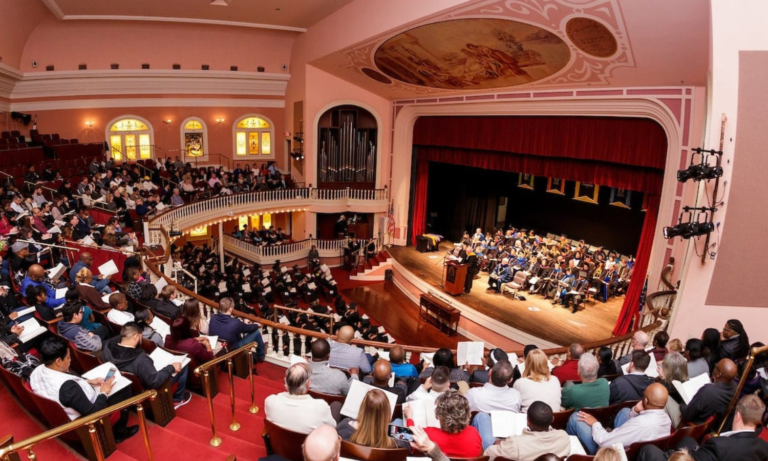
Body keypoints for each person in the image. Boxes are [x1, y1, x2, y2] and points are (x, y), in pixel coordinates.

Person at [29, 337, 139, 443]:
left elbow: (57, 388)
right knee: (125, 388)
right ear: (58, 361)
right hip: (86, 418)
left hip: (67, 407)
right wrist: (103, 393)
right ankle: (119, 431)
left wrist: (88, 382)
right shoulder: (68, 388)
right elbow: (93, 414)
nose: (70, 360)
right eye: (68, 357)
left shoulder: (38, 370)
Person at [636, 394, 768, 461]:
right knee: (686, 440)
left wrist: (673, 455)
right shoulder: (763, 446)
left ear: (737, 415)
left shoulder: (719, 446)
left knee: (648, 449)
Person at [101, 322, 192, 409]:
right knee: (183, 366)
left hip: (127, 389)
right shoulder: (140, 359)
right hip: (147, 390)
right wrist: (171, 368)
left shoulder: (108, 347)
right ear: (136, 337)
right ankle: (177, 399)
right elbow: (155, 382)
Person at [567, 383, 671, 455]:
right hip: (633, 445)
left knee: (575, 417)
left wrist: (595, 423)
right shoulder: (667, 420)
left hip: (608, 452)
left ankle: (579, 455)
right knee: (626, 411)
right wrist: (635, 410)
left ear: (646, 400)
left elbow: (604, 442)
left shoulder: (639, 425)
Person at [405, 390, 482, 458]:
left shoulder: (428, 435)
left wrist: (409, 418)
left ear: (440, 416)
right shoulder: (474, 433)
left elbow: (410, 436)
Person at [482, 401, 571, 460]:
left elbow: (488, 454)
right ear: (552, 419)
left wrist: (499, 443)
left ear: (527, 421)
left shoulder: (515, 444)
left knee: (481, 417)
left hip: (509, 448)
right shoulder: (564, 438)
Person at [264, 362, 336, 434]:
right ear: (308, 384)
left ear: (286, 381)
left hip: (278, 443)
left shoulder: (270, 401)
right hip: (308, 444)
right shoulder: (321, 407)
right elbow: (333, 427)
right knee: (337, 405)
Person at [337, 389, 408, 449]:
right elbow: (414, 442)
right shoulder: (400, 435)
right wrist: (409, 419)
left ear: (363, 408)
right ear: (387, 411)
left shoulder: (344, 427)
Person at [680, 358, 737, 429]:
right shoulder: (734, 386)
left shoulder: (708, 391)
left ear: (719, 374)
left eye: (716, 366)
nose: (714, 366)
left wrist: (681, 402)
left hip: (697, 425)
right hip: (713, 423)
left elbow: (687, 414)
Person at [656, 351, 689, 427]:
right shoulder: (686, 383)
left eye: (663, 365)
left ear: (668, 369)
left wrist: (663, 379)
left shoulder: (663, 387)